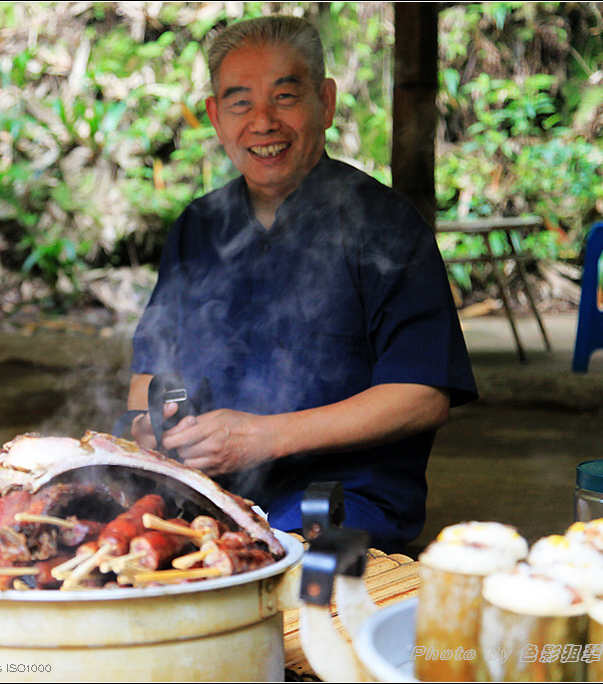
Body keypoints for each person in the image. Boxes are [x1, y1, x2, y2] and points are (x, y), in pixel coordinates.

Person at [126, 15, 477, 553]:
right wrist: (151, 426)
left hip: (339, 500)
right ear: (216, 118)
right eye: (240, 102)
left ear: (326, 103)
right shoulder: (198, 227)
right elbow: (153, 371)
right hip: (208, 494)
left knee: (265, 570)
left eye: (285, 97)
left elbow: (423, 395)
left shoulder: (386, 225)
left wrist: (262, 438)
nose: (263, 122)